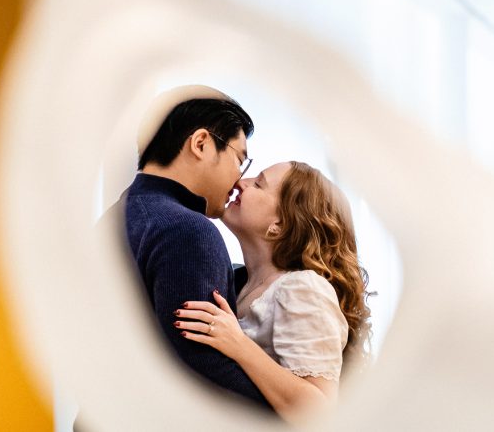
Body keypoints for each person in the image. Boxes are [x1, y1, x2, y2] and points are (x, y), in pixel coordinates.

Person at [106, 85, 270, 407]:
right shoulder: (187, 229)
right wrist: (291, 412)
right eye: (240, 159)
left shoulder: (115, 218)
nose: (239, 180)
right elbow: (203, 368)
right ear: (201, 143)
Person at [173, 160, 372, 424]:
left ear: (280, 223)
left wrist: (238, 345)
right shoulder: (240, 282)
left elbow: (318, 412)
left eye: (258, 183)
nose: (239, 183)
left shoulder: (303, 288)